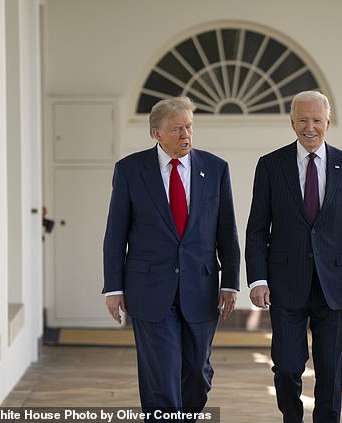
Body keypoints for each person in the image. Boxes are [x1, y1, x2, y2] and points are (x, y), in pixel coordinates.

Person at [102, 96, 240, 421]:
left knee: (198, 375)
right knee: (161, 380)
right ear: (156, 133)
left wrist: (231, 283)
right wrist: (113, 288)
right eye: (177, 128)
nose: (185, 135)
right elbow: (115, 234)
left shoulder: (216, 169)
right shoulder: (130, 171)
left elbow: (227, 232)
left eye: (189, 126)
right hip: (149, 290)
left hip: (202, 289)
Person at [245, 90, 342, 423]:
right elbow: (257, 228)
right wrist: (257, 279)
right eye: (303, 120)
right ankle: (292, 417)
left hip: (335, 285)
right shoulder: (271, 166)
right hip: (285, 285)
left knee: (330, 372)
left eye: (317, 120)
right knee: (287, 366)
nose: (310, 127)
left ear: (328, 122)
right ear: (292, 122)